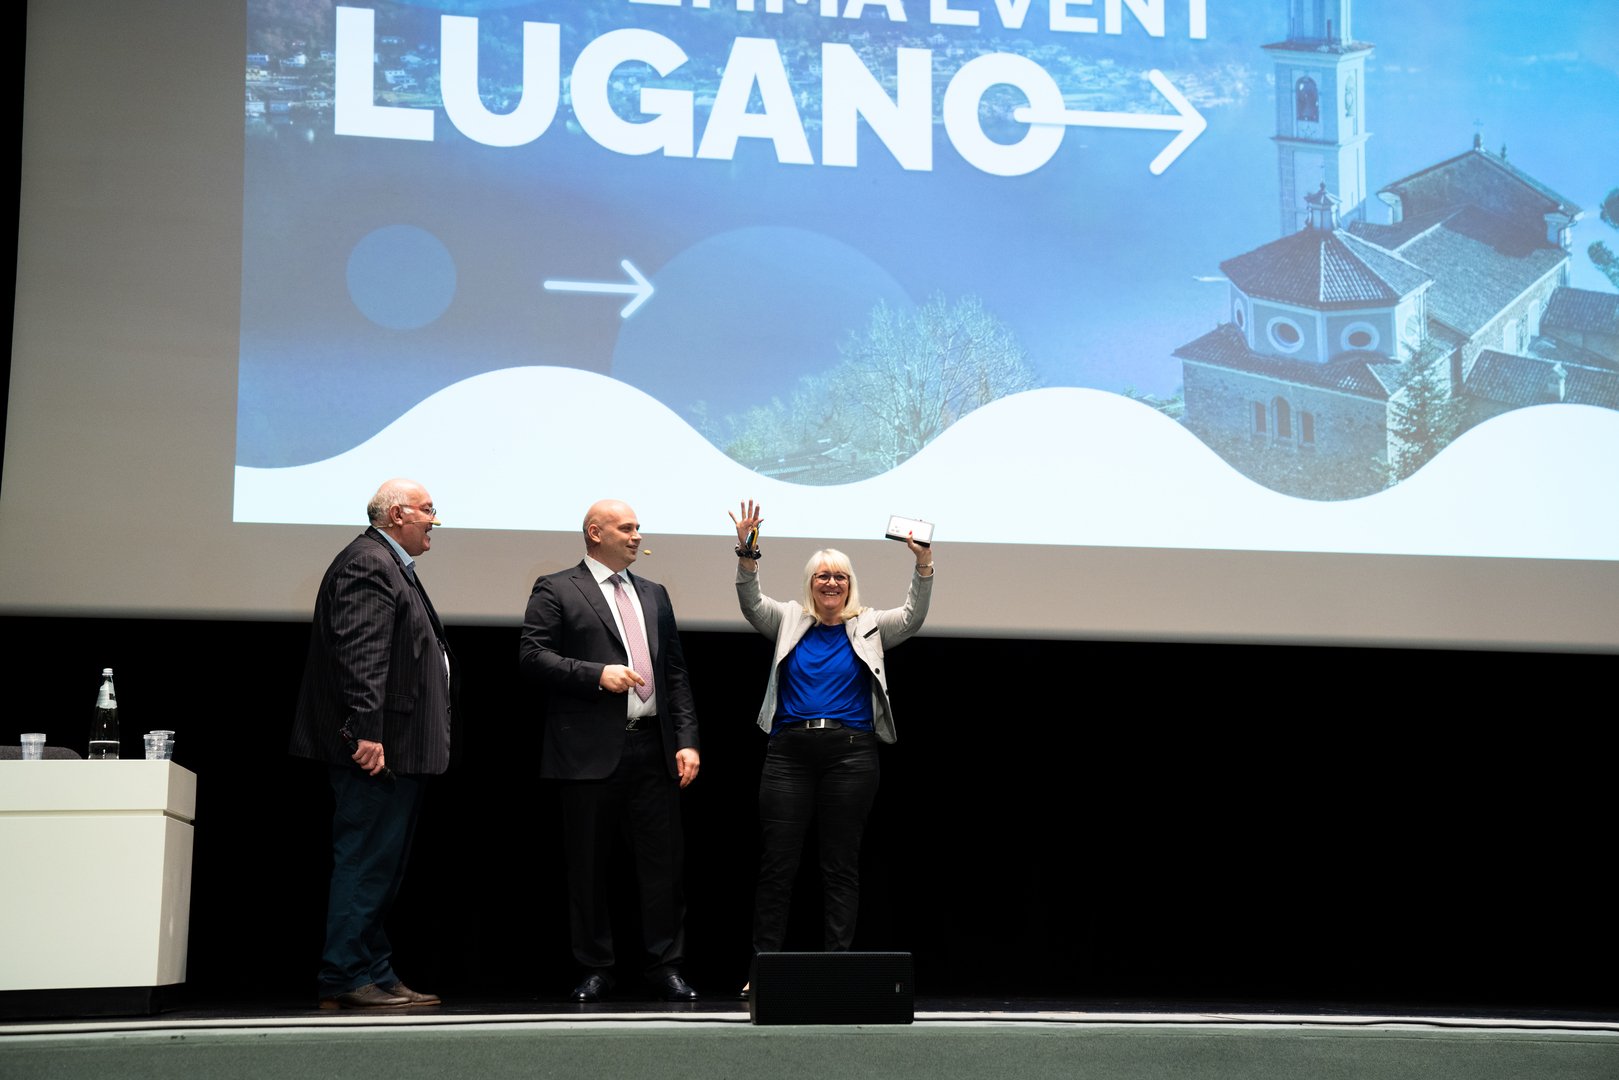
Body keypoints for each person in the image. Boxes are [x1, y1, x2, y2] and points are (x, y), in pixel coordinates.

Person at [729, 499, 932, 986]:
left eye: (840, 576)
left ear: (850, 584)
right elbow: (751, 601)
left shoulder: (870, 624)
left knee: (839, 865)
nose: (832, 583)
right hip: (789, 755)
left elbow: (912, 616)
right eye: (823, 576)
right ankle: (763, 970)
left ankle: (837, 970)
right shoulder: (788, 619)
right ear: (811, 583)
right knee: (778, 865)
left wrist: (923, 563)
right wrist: (748, 550)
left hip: (851, 756)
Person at [520, 499, 702, 1003]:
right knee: (588, 867)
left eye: (638, 527)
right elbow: (532, 656)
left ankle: (665, 966)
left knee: (663, 867)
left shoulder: (654, 593)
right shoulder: (557, 587)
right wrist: (596, 674)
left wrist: (687, 740)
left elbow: (674, 673)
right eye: (626, 528)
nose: (637, 535)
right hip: (587, 752)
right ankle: (595, 967)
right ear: (595, 533)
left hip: (654, 748)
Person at [289, 478, 453, 1010]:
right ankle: (344, 975)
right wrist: (367, 731)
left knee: (382, 867)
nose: (436, 520)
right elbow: (362, 654)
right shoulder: (368, 563)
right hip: (377, 747)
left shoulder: (388, 563)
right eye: (428, 509)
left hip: (398, 745)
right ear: (397, 514)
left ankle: (373, 970)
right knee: (364, 862)